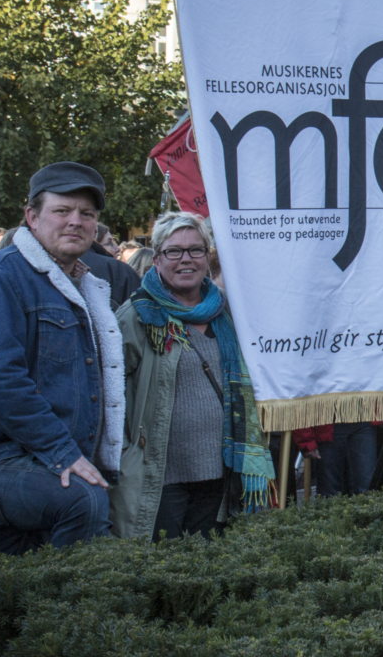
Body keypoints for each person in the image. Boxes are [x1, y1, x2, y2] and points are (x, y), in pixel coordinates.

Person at [0, 163, 122, 560]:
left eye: (87, 214)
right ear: (32, 217)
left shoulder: (84, 286)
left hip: (37, 456)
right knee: (83, 501)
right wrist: (63, 453)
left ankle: (8, 619)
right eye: (62, 211)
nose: (76, 221)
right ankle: (71, 619)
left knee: (15, 569)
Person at [111, 212, 275, 540]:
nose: (185, 259)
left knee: (209, 570)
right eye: (174, 251)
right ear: (157, 259)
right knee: (164, 569)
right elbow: (113, 398)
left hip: (220, 474)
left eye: (195, 250)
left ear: (207, 256)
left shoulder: (230, 313)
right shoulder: (136, 318)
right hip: (159, 475)